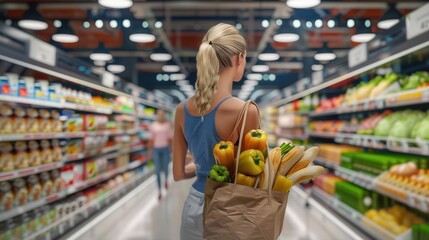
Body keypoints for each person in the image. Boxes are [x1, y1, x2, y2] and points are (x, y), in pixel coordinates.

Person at [172, 23, 260, 239]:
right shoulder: (245, 111)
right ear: (239, 58)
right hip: (229, 208)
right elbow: (254, 177)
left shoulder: (182, 110)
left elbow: (178, 173)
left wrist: (203, 165)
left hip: (193, 204)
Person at [148, 109, 173, 200]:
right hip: (156, 150)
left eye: (162, 115)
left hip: (165, 149)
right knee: (157, 171)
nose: (161, 116)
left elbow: (170, 138)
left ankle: (166, 180)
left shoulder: (167, 125)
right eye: (159, 115)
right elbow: (151, 139)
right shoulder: (153, 126)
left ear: (164, 116)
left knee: (166, 169)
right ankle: (159, 191)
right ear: (157, 116)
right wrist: (149, 152)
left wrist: (172, 149)